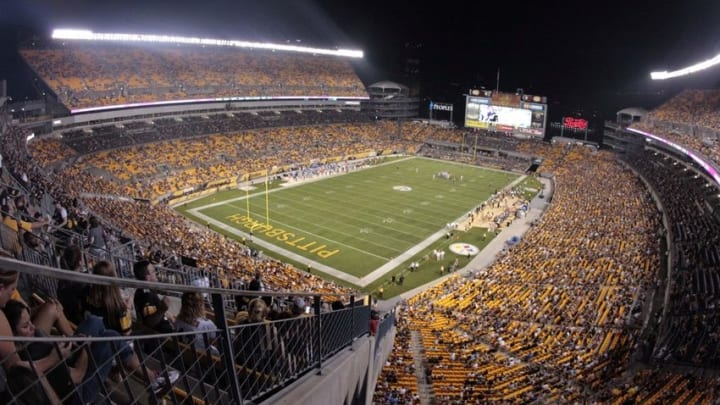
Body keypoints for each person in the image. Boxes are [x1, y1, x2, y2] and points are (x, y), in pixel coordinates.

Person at [133, 260, 175, 333]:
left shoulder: (143, 291)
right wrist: (163, 308)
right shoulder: (147, 295)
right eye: (153, 271)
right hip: (162, 338)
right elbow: (149, 323)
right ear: (147, 277)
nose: (156, 273)